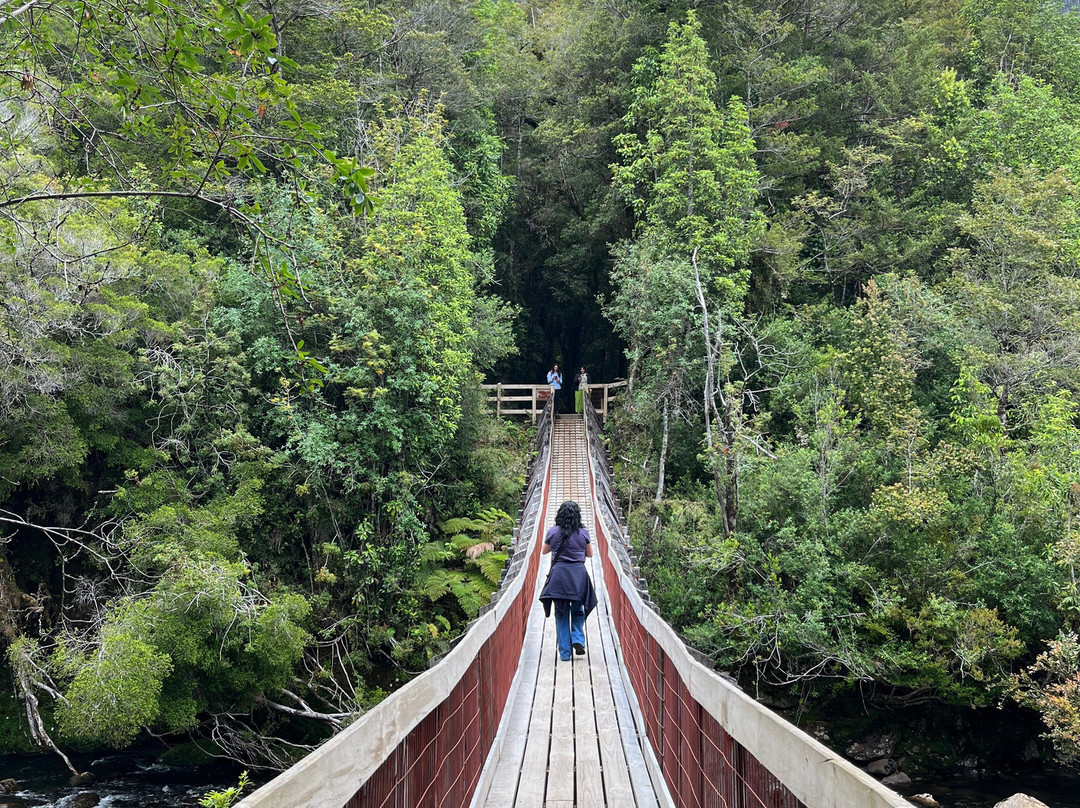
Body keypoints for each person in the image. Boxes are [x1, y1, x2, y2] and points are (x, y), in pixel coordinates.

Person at [539, 501, 597, 661]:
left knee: (561, 613)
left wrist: (556, 545)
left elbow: (544, 551)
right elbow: (590, 554)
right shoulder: (584, 533)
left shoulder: (553, 531)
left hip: (559, 577)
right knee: (578, 610)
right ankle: (578, 638)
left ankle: (565, 653)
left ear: (560, 515)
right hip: (578, 577)